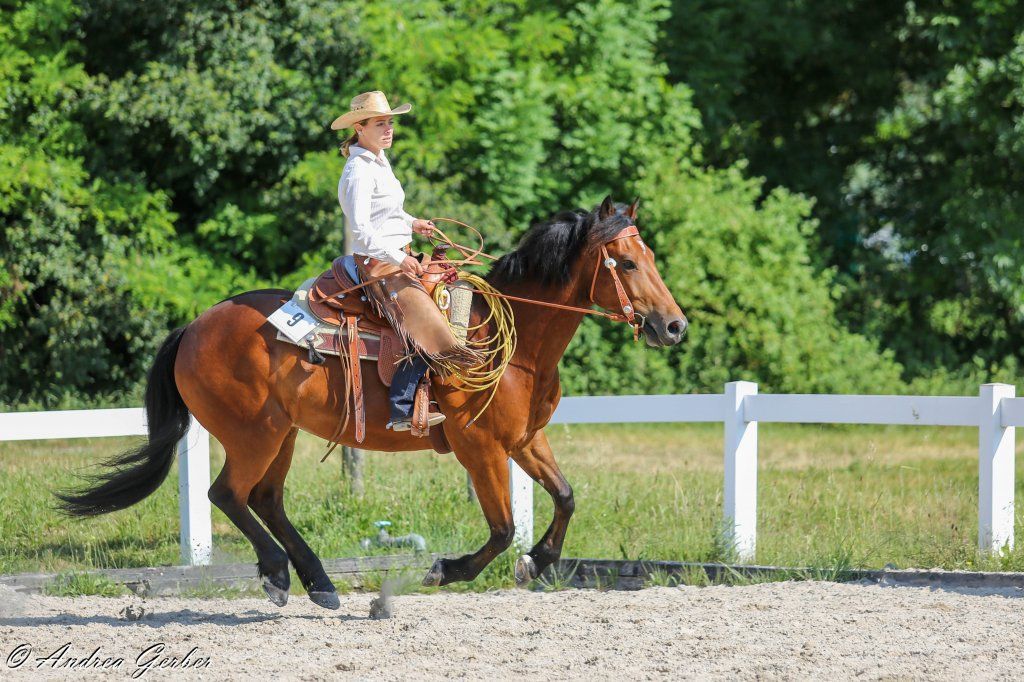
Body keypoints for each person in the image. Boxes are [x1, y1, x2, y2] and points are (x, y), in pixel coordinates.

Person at [331, 90, 485, 433]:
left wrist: (411, 222)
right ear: (359, 127)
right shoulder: (358, 170)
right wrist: (400, 258)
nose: (389, 129)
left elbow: (389, 212)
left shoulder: (379, 160)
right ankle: (402, 406)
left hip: (396, 253)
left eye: (390, 122)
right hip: (376, 262)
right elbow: (361, 231)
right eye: (381, 123)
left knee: (453, 286)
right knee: (424, 320)